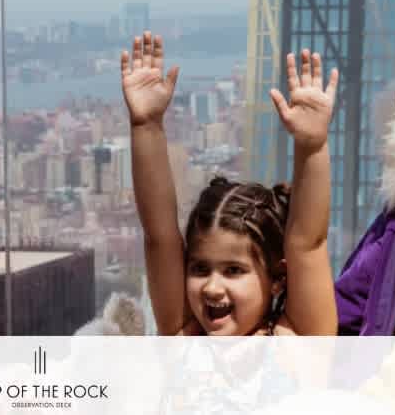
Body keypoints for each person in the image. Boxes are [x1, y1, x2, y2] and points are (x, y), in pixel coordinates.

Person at [123, 31, 338, 335]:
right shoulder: (184, 337)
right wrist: (145, 124)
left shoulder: (297, 345)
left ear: (278, 277)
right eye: (199, 268)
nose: (212, 287)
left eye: (233, 271)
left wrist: (312, 145)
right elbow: (160, 236)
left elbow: (307, 243)